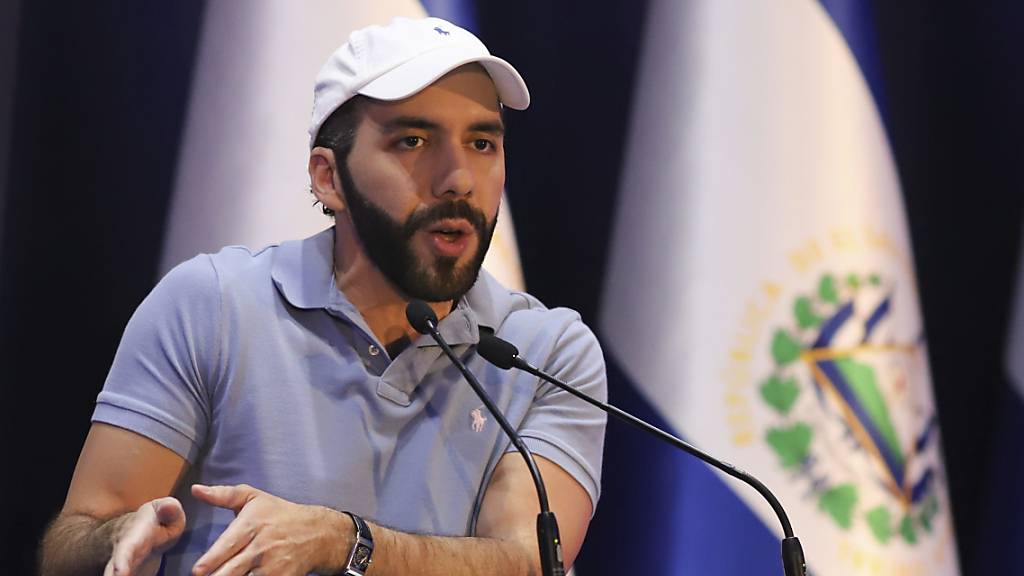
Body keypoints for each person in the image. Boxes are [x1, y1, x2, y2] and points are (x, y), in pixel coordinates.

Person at [39, 16, 607, 576]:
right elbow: (71, 543)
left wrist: (345, 541)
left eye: (482, 142)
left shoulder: (544, 352)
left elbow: (526, 562)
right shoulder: (211, 305)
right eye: (413, 140)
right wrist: (116, 536)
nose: (458, 178)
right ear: (328, 178)